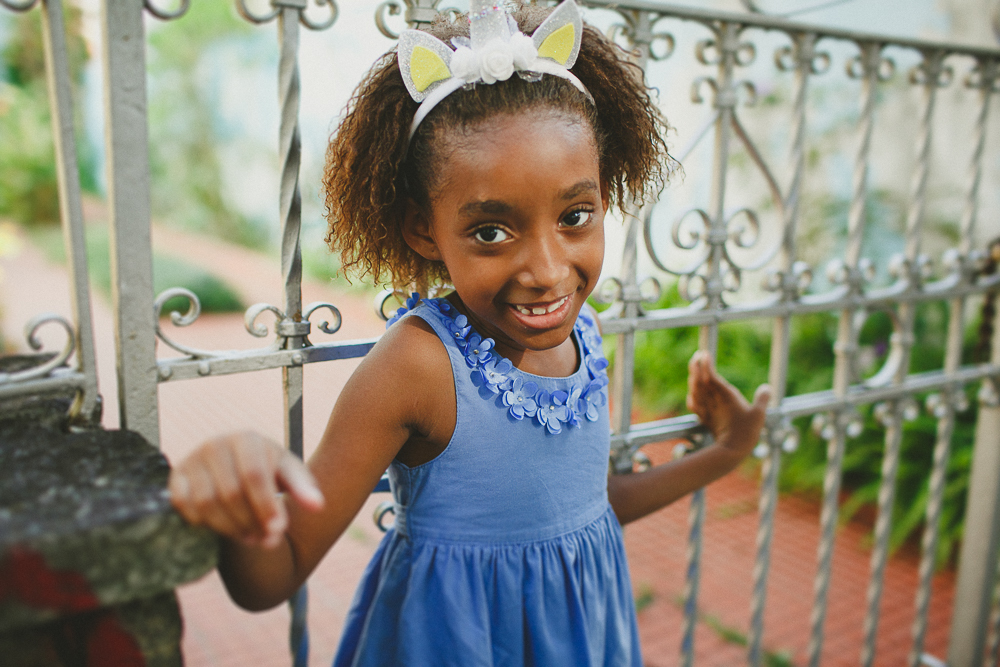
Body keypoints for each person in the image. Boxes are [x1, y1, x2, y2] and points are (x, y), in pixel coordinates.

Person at [168, 2, 771, 665]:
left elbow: (582, 513)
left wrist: (725, 452)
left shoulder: (585, 336)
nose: (546, 271)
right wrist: (239, 498)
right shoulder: (417, 368)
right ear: (424, 230)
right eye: (491, 231)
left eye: (576, 215)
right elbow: (273, 576)